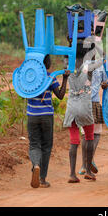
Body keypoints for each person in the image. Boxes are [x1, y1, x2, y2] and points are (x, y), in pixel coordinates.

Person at [27, 54, 69, 188]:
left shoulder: (29, 76)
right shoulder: (50, 77)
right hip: (46, 116)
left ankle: (36, 165)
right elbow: (61, 96)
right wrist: (65, 79)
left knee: (34, 144)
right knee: (46, 146)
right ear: (48, 63)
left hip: (32, 115)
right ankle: (42, 179)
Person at [63, 41, 103, 183]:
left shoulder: (68, 65)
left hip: (71, 106)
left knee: (74, 141)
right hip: (85, 106)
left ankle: (72, 174)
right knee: (89, 137)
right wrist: (95, 45)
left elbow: (66, 54)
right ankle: (87, 170)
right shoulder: (89, 66)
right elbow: (103, 58)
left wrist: (70, 43)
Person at [78, 62, 108, 176]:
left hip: (84, 102)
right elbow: (105, 82)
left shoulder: (82, 65)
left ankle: (84, 165)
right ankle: (89, 161)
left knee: (85, 134)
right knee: (96, 133)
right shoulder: (100, 66)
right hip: (93, 102)